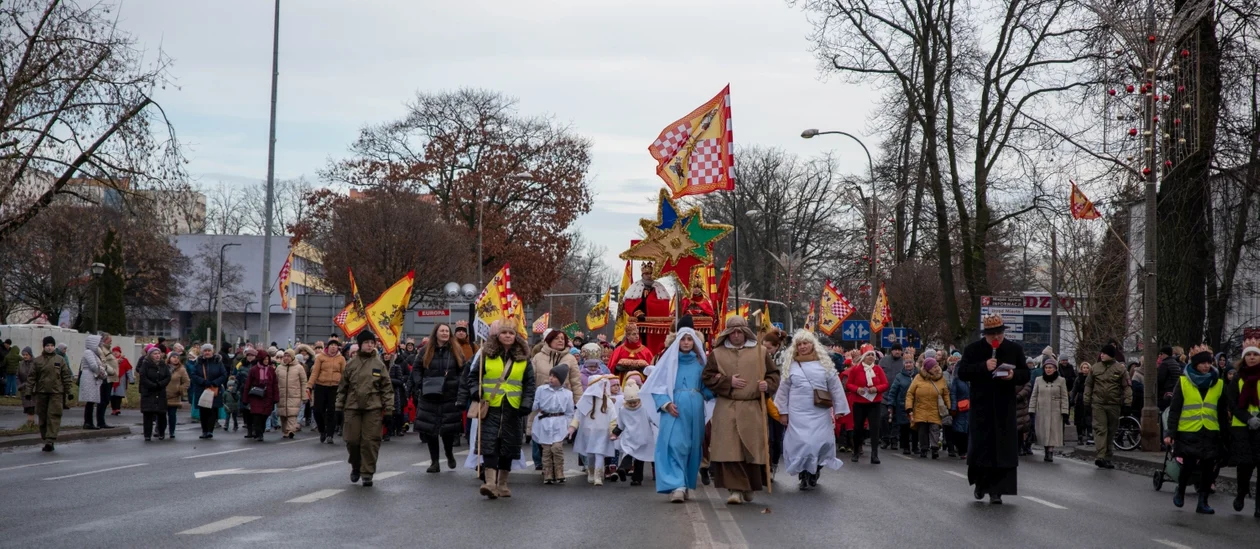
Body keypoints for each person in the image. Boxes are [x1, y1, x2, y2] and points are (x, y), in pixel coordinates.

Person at [703, 315, 780, 505]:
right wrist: (728, 382)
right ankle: (735, 490)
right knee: (730, 450)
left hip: (752, 407)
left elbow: (774, 375)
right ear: (727, 334)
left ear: (745, 332)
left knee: (751, 449)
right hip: (726, 407)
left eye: (739, 332)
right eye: (732, 332)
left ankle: (749, 487)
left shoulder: (760, 352)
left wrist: (767, 385)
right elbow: (707, 377)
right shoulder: (717, 354)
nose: (736, 335)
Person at [458, 320, 536, 499]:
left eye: (511, 333)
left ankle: (502, 483)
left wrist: (526, 403)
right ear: (498, 336)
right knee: (489, 443)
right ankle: (490, 483)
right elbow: (472, 376)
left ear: (516, 336)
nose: (508, 336)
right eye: (504, 333)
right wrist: (475, 391)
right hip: (490, 406)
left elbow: (529, 384)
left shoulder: (524, 357)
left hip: (513, 408)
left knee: (508, 445)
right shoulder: (486, 354)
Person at [957, 314, 1029, 504]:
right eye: (992, 335)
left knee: (1003, 450)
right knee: (982, 449)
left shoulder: (1014, 349)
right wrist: (983, 367)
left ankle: (997, 490)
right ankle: (980, 484)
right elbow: (962, 372)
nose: (996, 338)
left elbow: (1025, 374)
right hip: (982, 408)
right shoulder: (973, 349)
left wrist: (1013, 375)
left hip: (1005, 408)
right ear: (986, 335)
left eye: (999, 333)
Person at [642, 325, 714, 502]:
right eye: (683, 339)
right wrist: (665, 404)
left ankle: (685, 482)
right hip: (673, 409)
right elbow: (657, 386)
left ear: (695, 342)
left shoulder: (700, 364)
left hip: (695, 410)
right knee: (674, 445)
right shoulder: (668, 363)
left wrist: (719, 387)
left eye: (690, 339)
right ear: (677, 341)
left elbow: (706, 388)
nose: (686, 343)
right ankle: (677, 486)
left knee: (691, 447)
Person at [775, 329, 849, 490]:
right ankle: (803, 473)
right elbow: (783, 391)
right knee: (801, 443)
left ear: (812, 345)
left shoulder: (825, 365)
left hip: (819, 411)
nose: (802, 347)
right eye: (799, 344)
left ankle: (815, 469)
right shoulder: (791, 366)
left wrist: (840, 409)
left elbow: (835, 388)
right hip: (797, 413)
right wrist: (783, 412)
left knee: (818, 442)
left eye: (805, 343)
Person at [1166, 346, 1227, 514]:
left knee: (1209, 468)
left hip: (1210, 431)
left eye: (1209, 362)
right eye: (1202, 363)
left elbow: (1222, 412)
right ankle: (1181, 490)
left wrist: (1225, 434)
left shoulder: (1218, 383)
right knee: (1189, 465)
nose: (1206, 366)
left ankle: (1203, 501)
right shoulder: (1184, 382)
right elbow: (1175, 409)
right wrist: (1170, 432)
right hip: (1188, 430)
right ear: (1195, 364)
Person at [337, 330, 395, 487]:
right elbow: (342, 388)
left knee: (370, 442)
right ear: (360, 344)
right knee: (352, 440)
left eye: (372, 343)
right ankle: (356, 466)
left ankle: (367, 472)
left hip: (373, 408)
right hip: (352, 407)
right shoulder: (351, 364)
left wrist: (389, 409)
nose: (370, 345)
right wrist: (338, 407)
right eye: (367, 342)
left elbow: (387, 389)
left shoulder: (379, 364)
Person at [411, 323, 466, 473]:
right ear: (436, 333)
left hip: (449, 396)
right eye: (441, 331)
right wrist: (420, 384)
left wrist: (458, 384)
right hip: (430, 396)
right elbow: (416, 368)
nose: (444, 333)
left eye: (447, 331)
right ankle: (434, 461)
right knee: (431, 431)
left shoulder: (456, 351)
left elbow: (463, 370)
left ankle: (449, 454)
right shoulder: (425, 351)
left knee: (447, 430)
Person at [528, 329, 581, 471]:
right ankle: (541, 462)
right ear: (549, 340)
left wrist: (579, 403)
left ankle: (555, 466)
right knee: (538, 433)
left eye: (562, 338)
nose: (560, 341)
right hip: (541, 402)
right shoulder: (538, 357)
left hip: (561, 403)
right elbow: (530, 379)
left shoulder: (570, 359)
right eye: (556, 338)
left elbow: (576, 382)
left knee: (557, 438)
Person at [1225, 340, 1260, 516]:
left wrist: (1258, 418)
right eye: (1249, 355)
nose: (1252, 358)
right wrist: (1248, 419)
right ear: (1244, 358)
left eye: (1255, 354)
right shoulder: (1238, 378)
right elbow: (1233, 403)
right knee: (1245, 465)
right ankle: (1241, 493)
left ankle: (1259, 506)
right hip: (1242, 428)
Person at [1084, 343, 1131, 469]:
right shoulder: (1095, 368)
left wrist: (1127, 403)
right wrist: (1086, 401)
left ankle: (1108, 456)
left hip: (1114, 404)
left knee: (1111, 431)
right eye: (1101, 353)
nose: (1102, 355)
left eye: (1104, 353)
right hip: (1098, 404)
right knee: (1100, 429)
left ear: (1110, 355)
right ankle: (1100, 456)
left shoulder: (1120, 369)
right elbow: (1088, 385)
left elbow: (1126, 387)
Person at [570, 374, 619, 486]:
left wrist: (613, 431)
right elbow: (578, 415)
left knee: (600, 453)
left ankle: (598, 476)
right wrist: (572, 427)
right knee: (591, 454)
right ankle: (591, 472)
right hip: (588, 432)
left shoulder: (607, 401)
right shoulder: (586, 399)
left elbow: (613, 417)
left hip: (602, 432)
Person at [847, 344, 891, 463]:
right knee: (858, 428)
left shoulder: (877, 369)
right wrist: (857, 389)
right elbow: (849, 384)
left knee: (875, 428)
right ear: (863, 357)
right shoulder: (856, 369)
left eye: (873, 355)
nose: (871, 357)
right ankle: (856, 451)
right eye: (869, 355)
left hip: (874, 403)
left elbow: (885, 384)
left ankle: (874, 454)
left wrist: (876, 389)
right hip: (859, 403)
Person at [532, 364, 576, 485]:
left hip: (559, 422)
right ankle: (548, 473)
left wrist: (567, 426)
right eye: (550, 375)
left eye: (555, 377)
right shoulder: (541, 390)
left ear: (561, 379)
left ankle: (559, 471)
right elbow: (535, 404)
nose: (551, 378)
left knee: (557, 448)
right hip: (544, 422)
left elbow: (569, 412)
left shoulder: (567, 394)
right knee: (546, 450)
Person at [28, 336, 73, 452]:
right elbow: (31, 377)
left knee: (54, 416)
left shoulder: (60, 360)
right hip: (42, 392)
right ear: (44, 347)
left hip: (56, 393)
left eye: (52, 346)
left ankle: (50, 440)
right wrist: (29, 391)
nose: (50, 348)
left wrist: (69, 391)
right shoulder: (37, 361)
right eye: (47, 345)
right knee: (42, 417)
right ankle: (45, 437)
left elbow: (66, 377)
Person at [613, 371, 654, 486]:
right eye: (630, 403)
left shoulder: (640, 408)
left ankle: (626, 470)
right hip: (640, 437)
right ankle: (633, 476)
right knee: (635, 457)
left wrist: (615, 433)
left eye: (634, 402)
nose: (632, 405)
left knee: (631, 455)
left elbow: (651, 419)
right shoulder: (626, 409)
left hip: (633, 437)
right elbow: (620, 424)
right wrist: (615, 433)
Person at [906, 357, 951, 459]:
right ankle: (924, 449)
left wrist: (949, 407)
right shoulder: (918, 378)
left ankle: (935, 448)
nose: (936, 368)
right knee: (922, 430)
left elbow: (946, 394)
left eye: (936, 366)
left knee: (935, 429)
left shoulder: (941, 378)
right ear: (928, 368)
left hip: (935, 409)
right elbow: (910, 393)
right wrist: (909, 407)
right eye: (933, 366)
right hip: (920, 408)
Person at [1029, 357, 1069, 462]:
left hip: (1055, 410)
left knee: (1053, 432)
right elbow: (1034, 395)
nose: (1048, 369)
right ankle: (1046, 450)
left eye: (1050, 367)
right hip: (1041, 410)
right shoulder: (1038, 380)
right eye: (1046, 367)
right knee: (1043, 432)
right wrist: (1031, 409)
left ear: (1055, 368)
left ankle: (1050, 451)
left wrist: (1065, 411)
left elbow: (1064, 397)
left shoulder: (1061, 380)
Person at [310, 339, 346, 444]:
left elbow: (344, 374)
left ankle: (330, 434)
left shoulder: (341, 359)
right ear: (328, 347)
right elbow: (315, 373)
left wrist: (345, 387)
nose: (333, 347)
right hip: (321, 386)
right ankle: (322, 430)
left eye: (335, 345)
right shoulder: (320, 357)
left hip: (335, 387)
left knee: (332, 411)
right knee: (317, 410)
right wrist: (309, 385)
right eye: (331, 345)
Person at [189, 344, 228, 439]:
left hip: (214, 389)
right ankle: (204, 430)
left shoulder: (218, 362)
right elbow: (193, 375)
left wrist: (215, 383)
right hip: (202, 389)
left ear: (212, 352)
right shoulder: (198, 362)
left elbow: (223, 375)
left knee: (213, 411)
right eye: (205, 351)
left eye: (209, 350)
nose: (207, 352)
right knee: (203, 411)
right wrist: (203, 381)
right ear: (202, 352)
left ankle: (210, 430)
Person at [137, 345, 171, 441]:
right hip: (149, 392)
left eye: (158, 353)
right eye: (155, 354)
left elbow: (168, 377)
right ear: (150, 355)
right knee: (148, 414)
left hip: (160, 392)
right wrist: (152, 385)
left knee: (161, 414)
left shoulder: (163, 365)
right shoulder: (145, 364)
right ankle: (147, 434)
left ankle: (161, 432)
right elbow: (143, 377)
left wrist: (160, 384)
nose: (157, 356)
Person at [887, 352, 917, 455]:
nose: (908, 364)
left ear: (914, 363)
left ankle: (915, 446)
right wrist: (890, 404)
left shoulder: (918, 375)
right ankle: (906, 447)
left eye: (910, 362)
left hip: (916, 405)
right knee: (904, 427)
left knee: (915, 427)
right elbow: (893, 391)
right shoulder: (899, 376)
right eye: (906, 363)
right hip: (902, 405)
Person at [245, 351, 280, 442]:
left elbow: (275, 384)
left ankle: (261, 430)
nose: (266, 361)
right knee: (257, 415)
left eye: (268, 359)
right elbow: (248, 384)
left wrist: (276, 397)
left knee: (265, 415)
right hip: (256, 396)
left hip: (268, 396)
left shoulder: (271, 370)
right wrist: (245, 398)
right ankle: (258, 433)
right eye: (264, 359)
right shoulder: (254, 370)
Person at [77, 334, 109, 429]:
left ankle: (89, 422)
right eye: (99, 342)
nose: (100, 344)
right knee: (90, 402)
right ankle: (88, 422)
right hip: (89, 378)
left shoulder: (93, 353)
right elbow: (94, 366)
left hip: (92, 378)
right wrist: (101, 373)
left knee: (91, 402)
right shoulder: (88, 352)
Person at [275, 349, 308, 439]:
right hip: (282, 395)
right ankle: (285, 431)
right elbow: (275, 382)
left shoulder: (299, 368)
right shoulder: (279, 368)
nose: (286, 358)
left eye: (288, 356)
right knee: (283, 414)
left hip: (294, 395)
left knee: (292, 414)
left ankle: (291, 430)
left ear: (292, 357)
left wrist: (304, 395)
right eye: (285, 356)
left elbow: (304, 382)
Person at [949, 360, 971, 460]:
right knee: (960, 430)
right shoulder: (957, 380)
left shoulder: (972, 380)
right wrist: (953, 408)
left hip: (971, 410)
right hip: (960, 409)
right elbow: (953, 394)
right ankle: (961, 450)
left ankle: (967, 450)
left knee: (969, 430)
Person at [165, 352, 190, 439]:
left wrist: (180, 389)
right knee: (161, 415)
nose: (175, 359)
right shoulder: (164, 367)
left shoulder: (181, 369)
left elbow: (187, 382)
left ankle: (172, 431)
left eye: (177, 357)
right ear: (169, 358)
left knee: (172, 415)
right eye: (173, 357)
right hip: (163, 395)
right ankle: (160, 430)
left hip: (174, 396)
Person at [1157, 346, 1183, 412]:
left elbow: (1160, 380)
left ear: (1164, 354)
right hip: (1174, 391)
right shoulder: (1176, 363)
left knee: (1164, 412)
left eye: (1161, 354)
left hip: (1165, 393)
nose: (1160, 356)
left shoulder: (1164, 364)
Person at [109, 346, 133, 416]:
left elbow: (129, 370)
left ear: (120, 352)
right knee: (112, 396)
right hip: (111, 380)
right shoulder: (110, 360)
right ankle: (113, 409)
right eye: (114, 351)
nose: (115, 353)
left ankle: (117, 409)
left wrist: (131, 379)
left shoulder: (125, 360)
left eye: (117, 351)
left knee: (119, 395)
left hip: (121, 380)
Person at [17, 347, 35, 426]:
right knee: (27, 407)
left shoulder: (35, 363)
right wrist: (20, 385)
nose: (25, 356)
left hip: (33, 388)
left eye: (26, 354)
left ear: (30, 354)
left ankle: (31, 423)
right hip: (24, 388)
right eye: (23, 355)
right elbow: (17, 376)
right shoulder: (21, 364)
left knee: (32, 407)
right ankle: (30, 423)